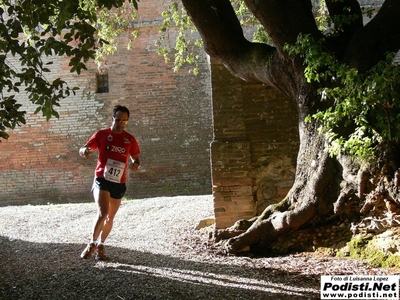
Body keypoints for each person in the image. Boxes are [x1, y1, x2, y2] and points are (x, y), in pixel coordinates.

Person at [79, 104, 141, 260]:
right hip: (102, 179)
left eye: (124, 121)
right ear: (113, 118)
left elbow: (136, 158)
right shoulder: (102, 134)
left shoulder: (130, 139)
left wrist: (136, 164)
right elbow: (84, 148)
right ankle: (91, 243)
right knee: (103, 212)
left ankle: (101, 245)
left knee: (110, 217)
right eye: (118, 120)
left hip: (119, 183)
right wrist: (85, 151)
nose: (121, 123)